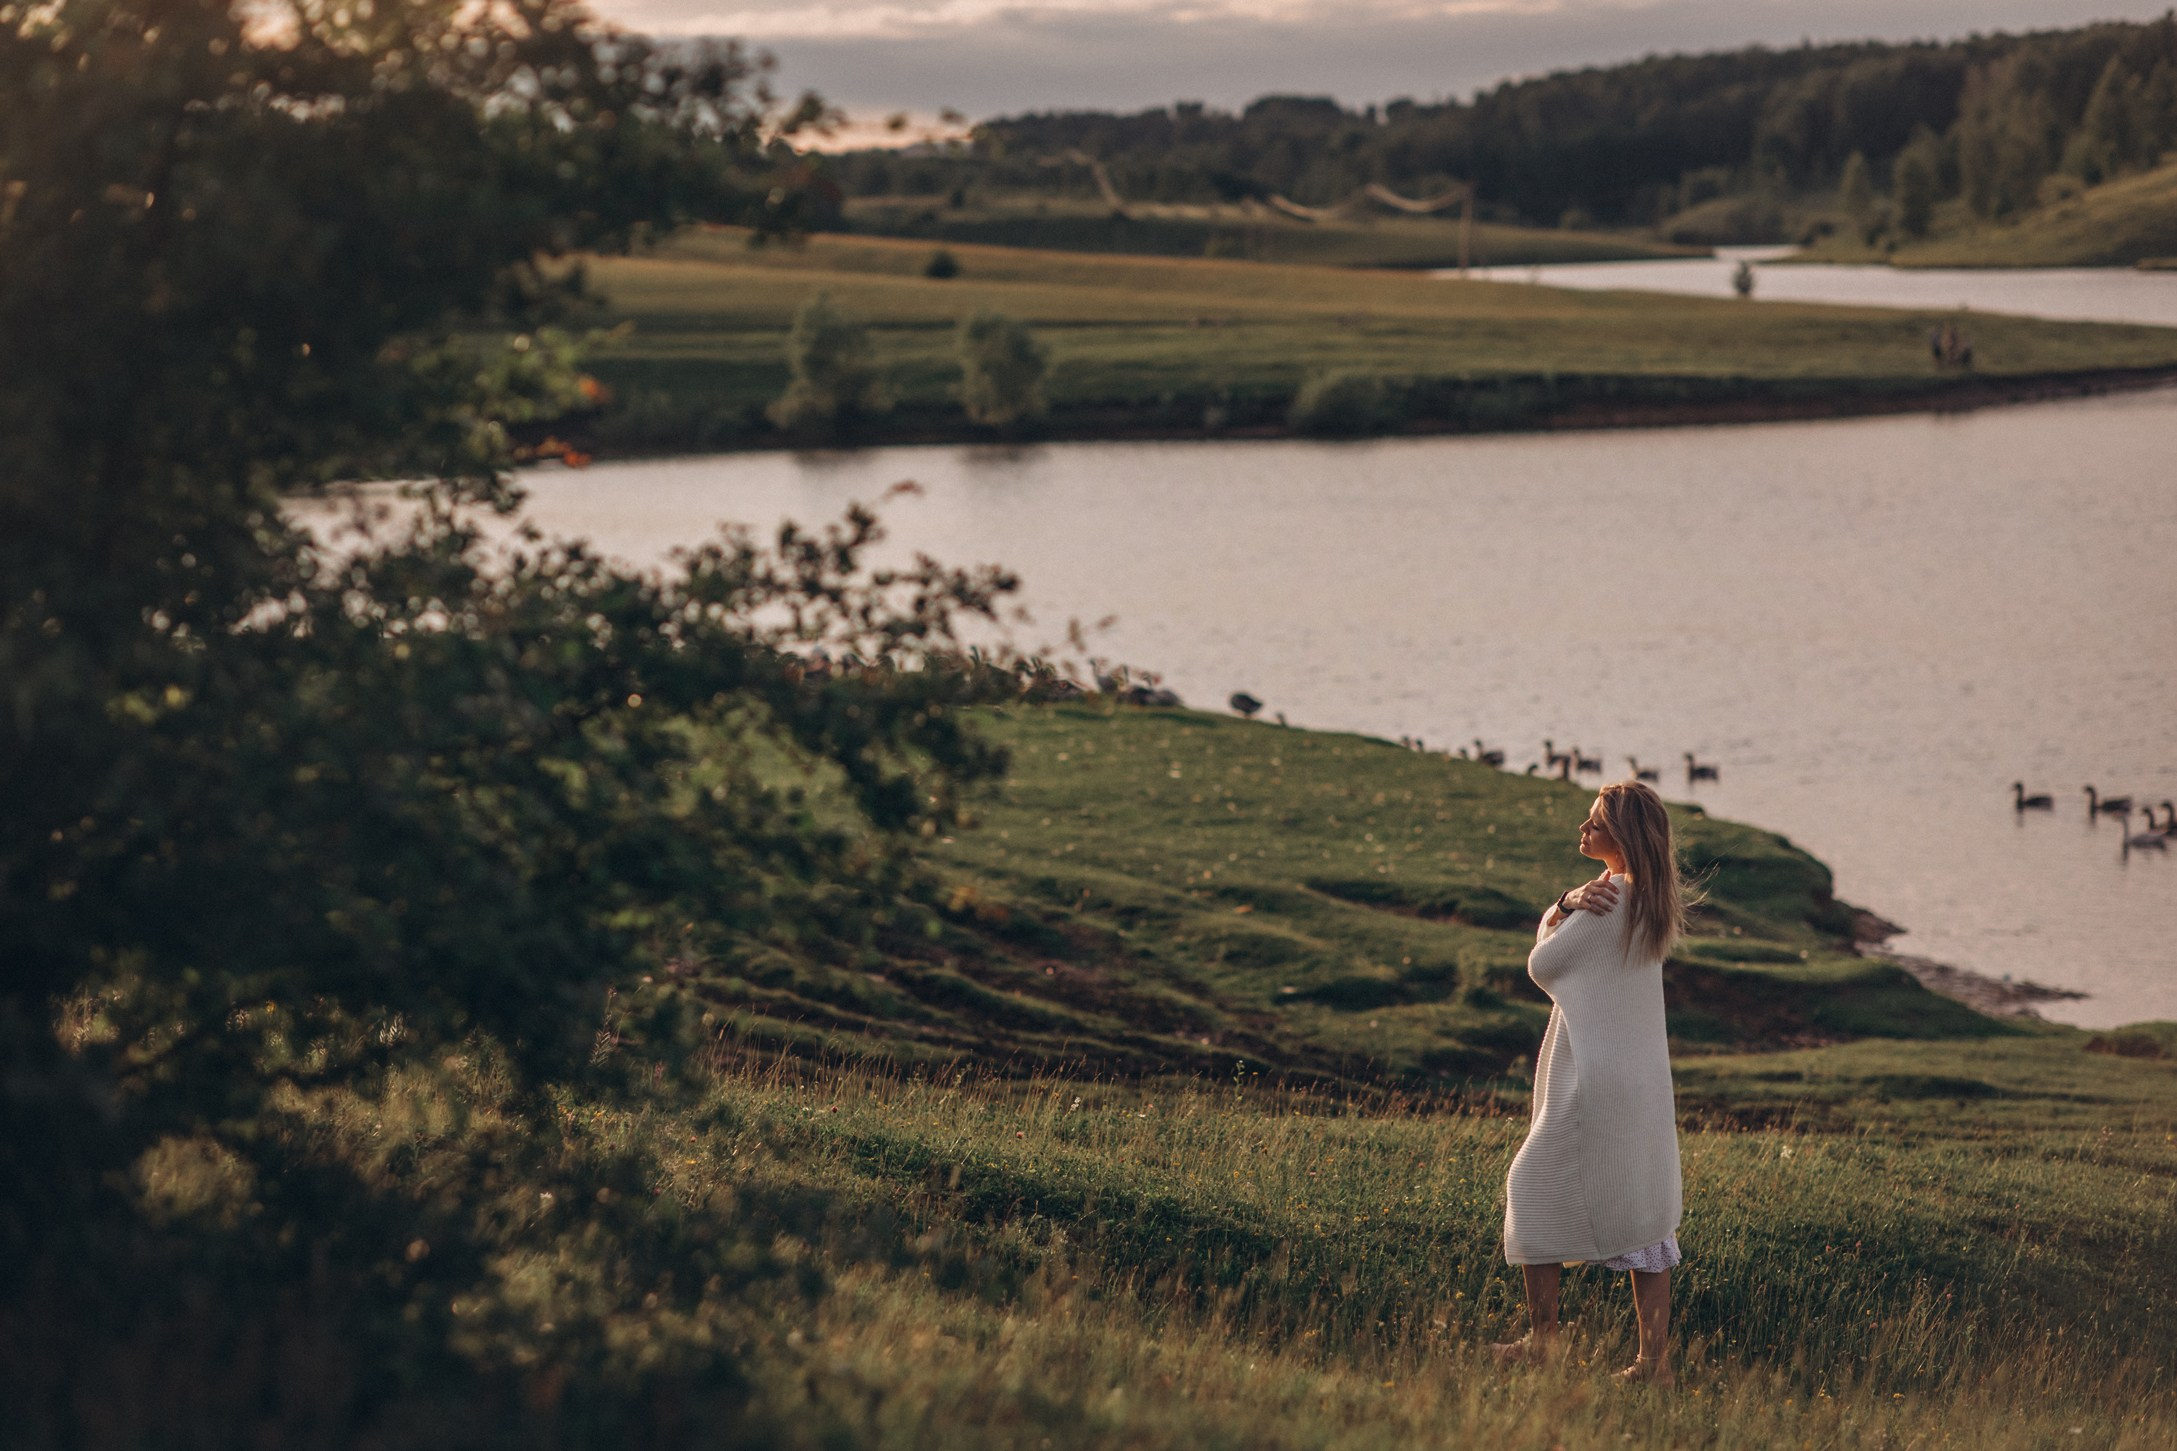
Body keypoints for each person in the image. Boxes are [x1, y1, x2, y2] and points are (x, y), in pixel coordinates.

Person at [1492, 780, 1690, 1386]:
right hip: (1642, 1083)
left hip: (1595, 1082)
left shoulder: (1604, 901)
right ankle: (1652, 1363)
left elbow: (1543, 964)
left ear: (1621, 838)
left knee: (1531, 1187)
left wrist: (1564, 904)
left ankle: (1543, 1341)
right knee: (1646, 1215)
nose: (1582, 831)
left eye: (1593, 822)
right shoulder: (1652, 902)